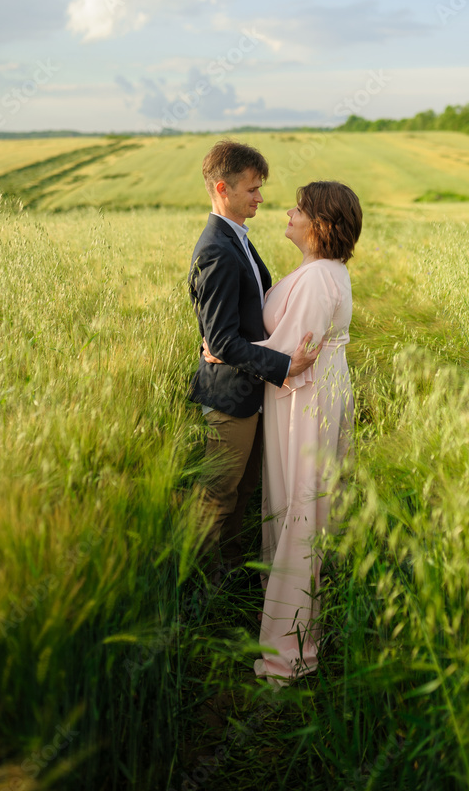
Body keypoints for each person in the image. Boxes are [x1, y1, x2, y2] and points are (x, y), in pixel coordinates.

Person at [204, 180, 362, 684]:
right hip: (314, 392)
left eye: (298, 209)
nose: (286, 214)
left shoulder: (317, 278)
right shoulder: (325, 271)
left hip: (303, 400)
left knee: (300, 508)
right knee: (306, 507)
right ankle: (301, 622)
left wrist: (222, 348)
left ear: (321, 225)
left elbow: (293, 355)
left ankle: (288, 655)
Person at [188, 140, 322, 580]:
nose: (261, 198)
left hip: (250, 391)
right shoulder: (216, 251)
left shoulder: (237, 239)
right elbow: (222, 339)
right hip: (229, 398)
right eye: (253, 189)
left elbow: (237, 321)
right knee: (219, 495)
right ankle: (199, 586)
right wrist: (284, 366)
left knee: (245, 490)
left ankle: (228, 570)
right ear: (223, 189)